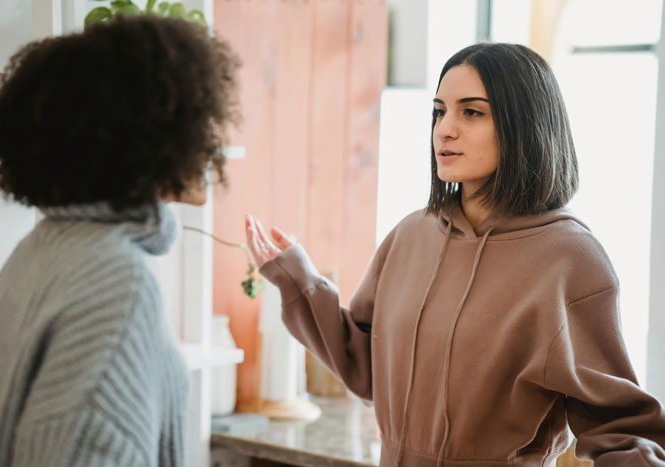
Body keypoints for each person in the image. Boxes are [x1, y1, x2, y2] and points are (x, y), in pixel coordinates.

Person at [245, 43, 665, 466]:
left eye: (472, 112)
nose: (445, 129)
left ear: (525, 125)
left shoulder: (570, 260)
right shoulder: (410, 235)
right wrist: (298, 277)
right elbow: (366, 365)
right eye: (439, 111)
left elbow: (621, 429)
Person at [0, 15, 239, 467]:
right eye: (197, 118)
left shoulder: (38, 248)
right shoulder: (118, 282)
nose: (211, 140)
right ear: (144, 134)